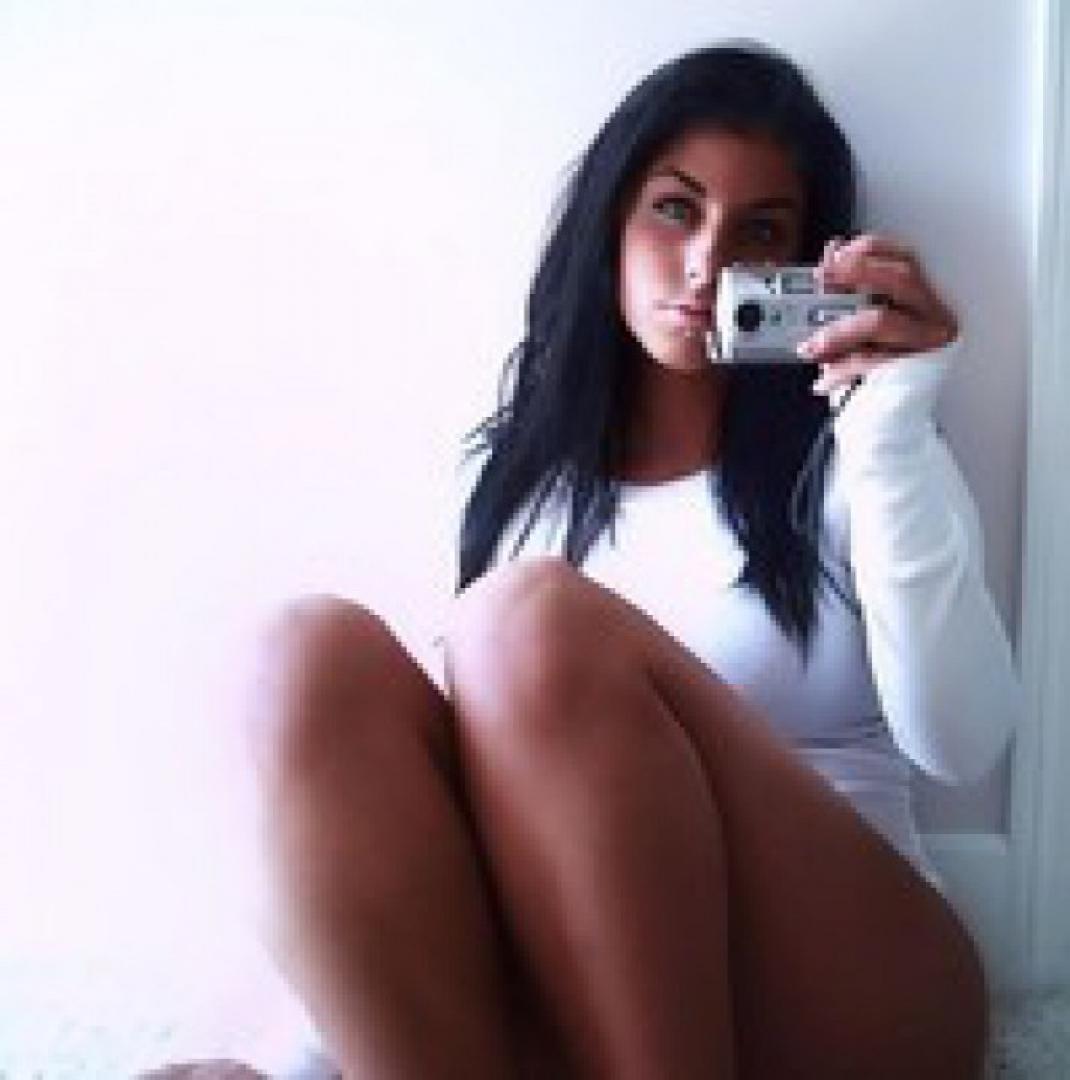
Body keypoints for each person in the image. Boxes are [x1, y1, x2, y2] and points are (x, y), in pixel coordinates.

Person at [246, 40, 1022, 1079]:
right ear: (610, 223)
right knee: (304, 653)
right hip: (598, 994)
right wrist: (299, 1058)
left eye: (758, 231)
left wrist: (893, 423)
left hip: (853, 989)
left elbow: (962, 744)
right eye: (675, 209)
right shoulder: (519, 485)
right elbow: (426, 822)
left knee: (525, 621)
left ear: (807, 265)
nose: (706, 264)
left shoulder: (859, 452)